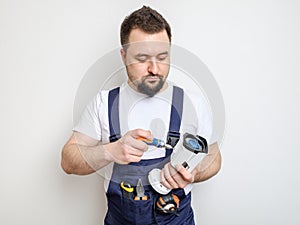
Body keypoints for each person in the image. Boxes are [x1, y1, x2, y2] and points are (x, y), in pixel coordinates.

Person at [61, 5, 221, 225]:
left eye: (162, 57)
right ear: (124, 55)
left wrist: (192, 172)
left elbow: (213, 158)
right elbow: (68, 161)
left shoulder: (192, 102)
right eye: (142, 58)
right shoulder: (104, 103)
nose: (154, 68)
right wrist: (110, 151)